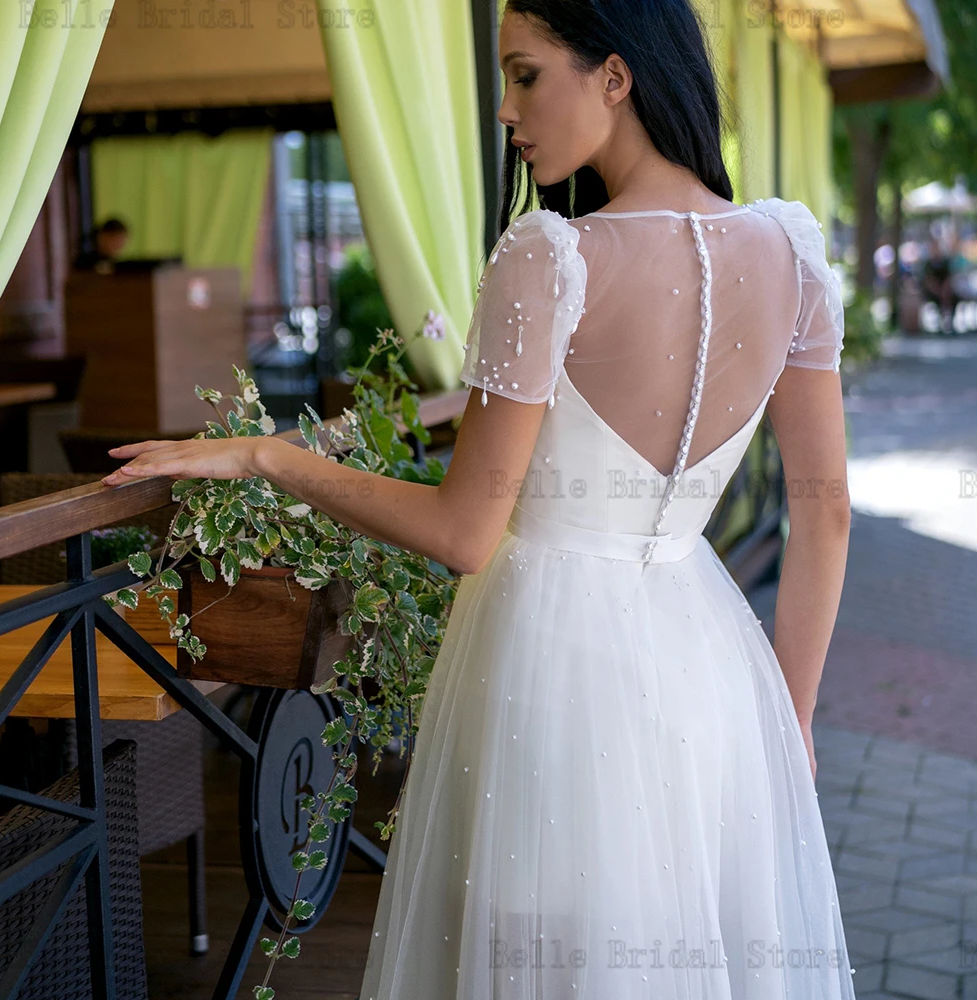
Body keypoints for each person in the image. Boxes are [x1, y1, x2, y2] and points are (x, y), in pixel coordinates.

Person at [100, 1, 855, 995]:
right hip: (711, 670)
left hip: (555, 665)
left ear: (616, 76)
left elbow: (463, 533)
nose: (505, 109)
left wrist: (267, 459)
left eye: (525, 74)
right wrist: (788, 717)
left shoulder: (554, 259)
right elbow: (826, 509)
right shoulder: (791, 254)